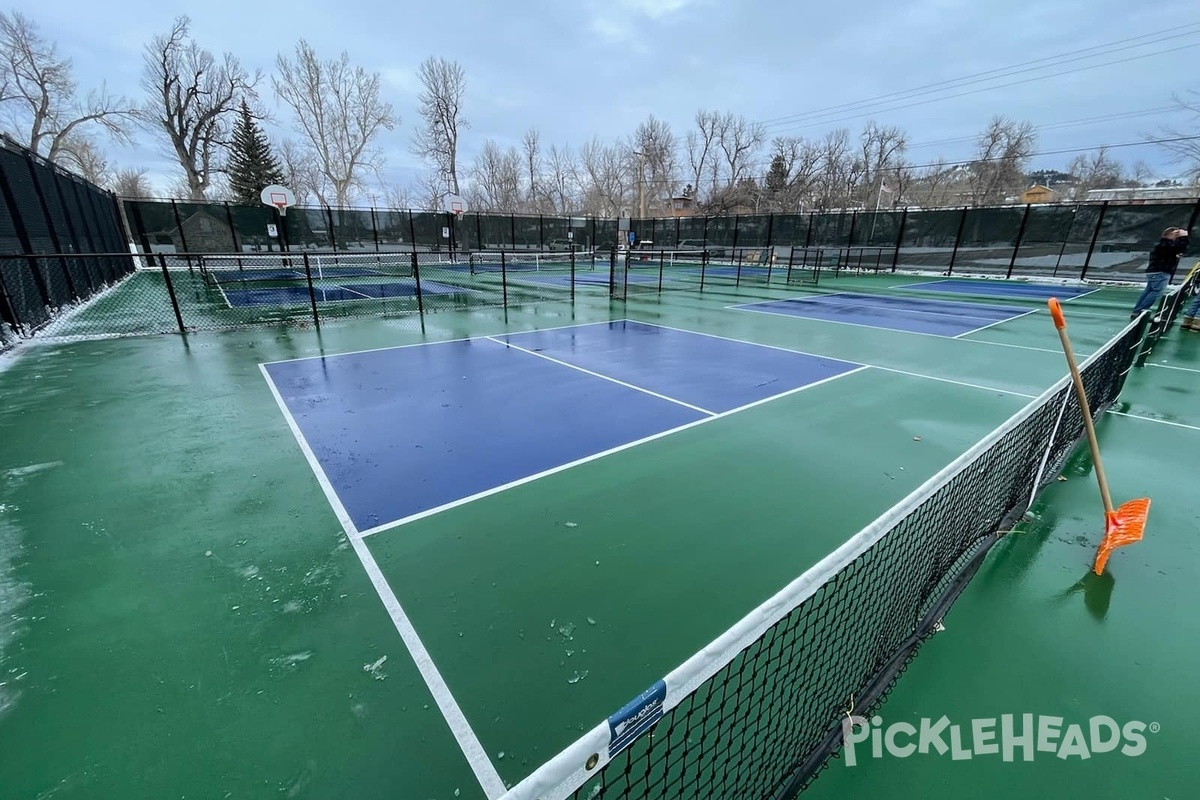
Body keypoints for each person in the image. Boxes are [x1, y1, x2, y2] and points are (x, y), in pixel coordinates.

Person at [1131, 227, 1190, 320]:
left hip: (1155, 271)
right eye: (1175, 234)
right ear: (1169, 235)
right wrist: (1184, 237)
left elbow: (1170, 253)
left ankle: (1137, 310)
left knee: (1148, 291)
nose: (1176, 237)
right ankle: (1140, 311)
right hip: (1161, 272)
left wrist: (1174, 256)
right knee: (1156, 292)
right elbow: (1181, 248)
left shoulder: (1162, 245)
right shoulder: (1166, 245)